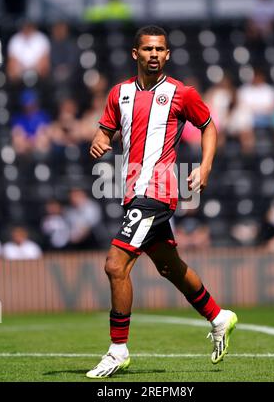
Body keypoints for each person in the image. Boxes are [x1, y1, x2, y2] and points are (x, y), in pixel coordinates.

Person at [87, 26, 238, 379]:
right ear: (135, 53)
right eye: (147, 49)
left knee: (114, 264)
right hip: (132, 192)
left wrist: (205, 167)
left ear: (167, 55)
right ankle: (219, 317)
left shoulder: (180, 93)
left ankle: (118, 350)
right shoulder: (119, 93)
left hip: (158, 191)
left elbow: (209, 126)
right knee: (169, 266)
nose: (154, 54)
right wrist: (99, 136)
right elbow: (105, 128)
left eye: (160, 49)